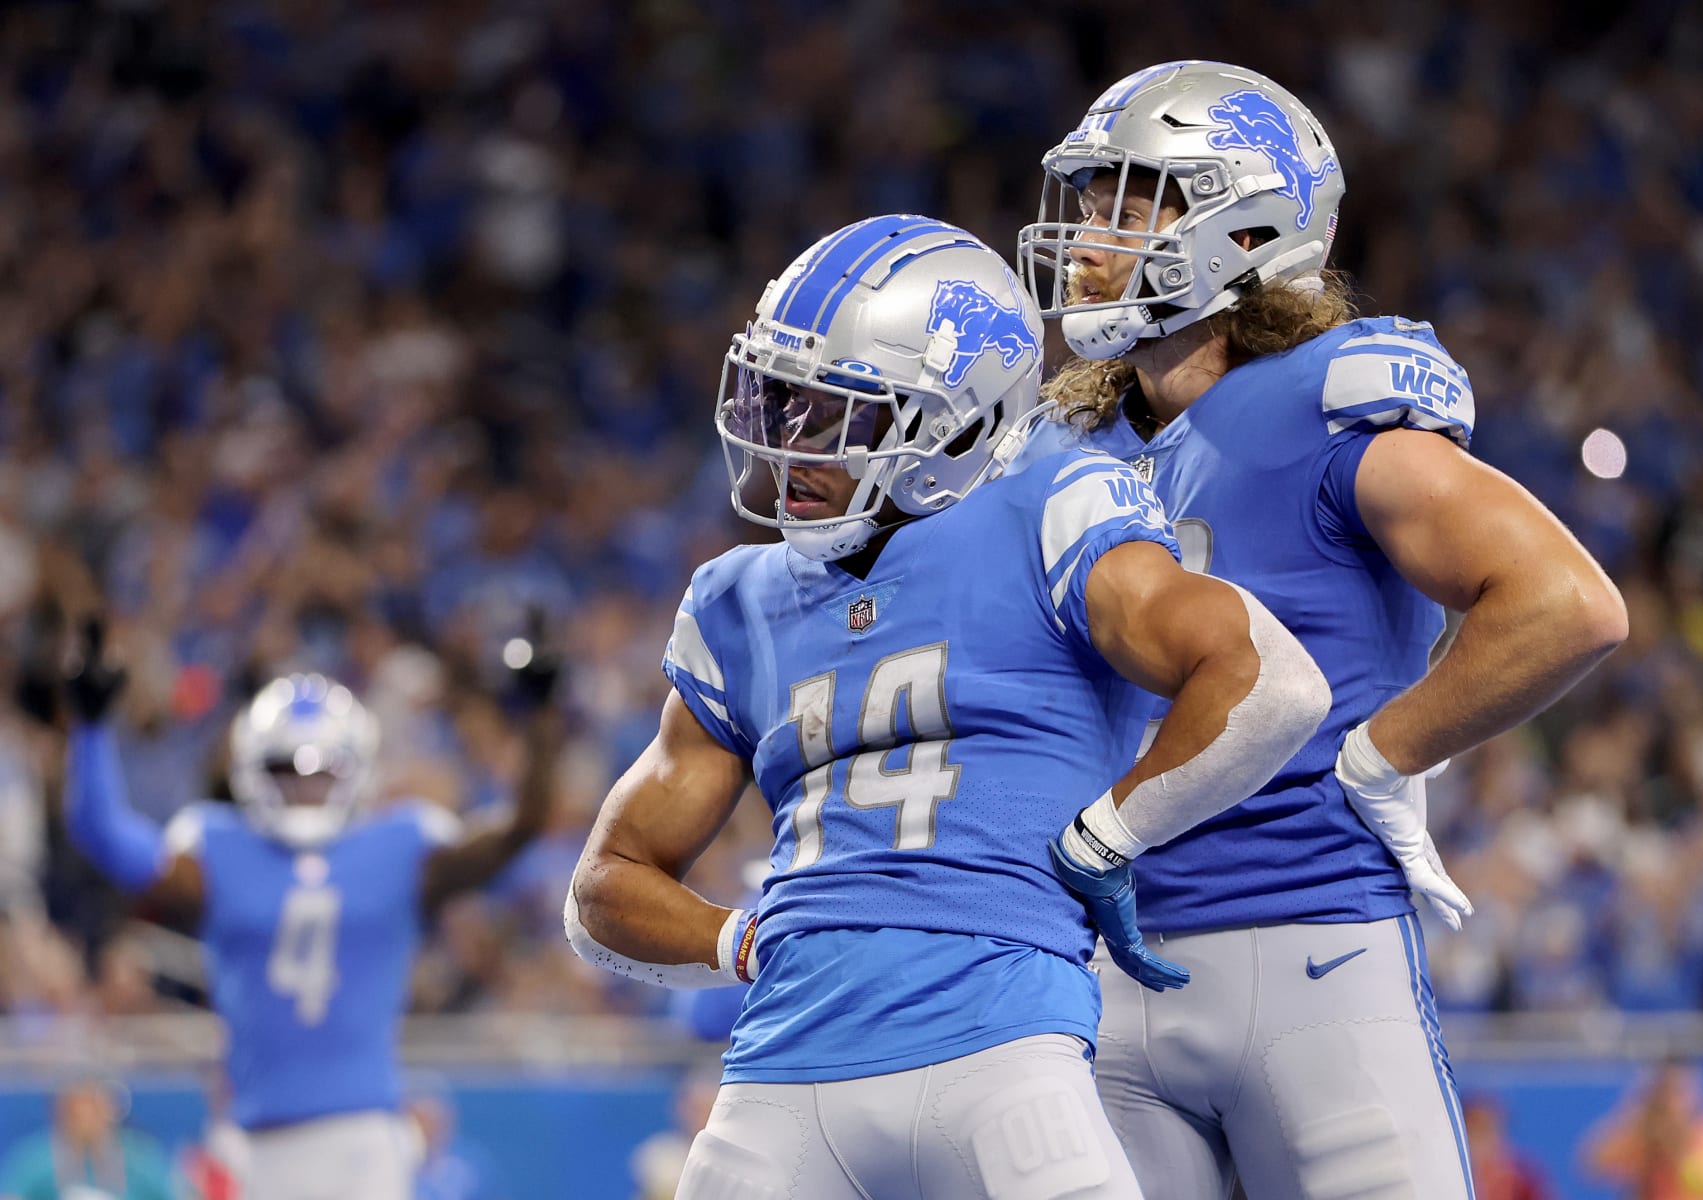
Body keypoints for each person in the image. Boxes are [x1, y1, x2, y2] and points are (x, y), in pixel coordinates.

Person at [565, 215, 1332, 1199]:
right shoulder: (737, 598)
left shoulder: (1047, 506)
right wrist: (744, 940)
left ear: (956, 422)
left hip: (1006, 1055)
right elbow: (603, 893)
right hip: (780, 1072)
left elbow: (1271, 681)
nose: (789, 442)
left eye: (832, 412)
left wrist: (1105, 837)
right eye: (781, 400)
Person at [1016, 61, 1630, 1199]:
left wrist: (1387, 751)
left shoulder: (1321, 401)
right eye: (1089, 199)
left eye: (1129, 199)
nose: (1089, 232)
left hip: (1310, 944)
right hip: (1099, 976)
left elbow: (1567, 604)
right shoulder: (1070, 450)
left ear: (1244, 227)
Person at [58, 618, 560, 1200]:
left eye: (323, 772)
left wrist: (541, 718)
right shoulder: (219, 847)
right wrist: (90, 730)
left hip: (361, 1136)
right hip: (255, 1139)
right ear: (250, 771)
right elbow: (103, 836)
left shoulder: (401, 847)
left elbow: (521, 827)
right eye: (284, 770)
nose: (304, 788)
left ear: (356, 769)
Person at [1582, 1059, 1703, 1199]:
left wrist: (1677, 1145)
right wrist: (1634, 1119)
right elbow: (1594, 1164)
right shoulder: (1642, 1130)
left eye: (1676, 1092)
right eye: (1663, 1092)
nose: (1670, 1102)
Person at [0, 1077, 177, 1200]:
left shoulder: (140, 1156)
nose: (85, 1120)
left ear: (111, 1111)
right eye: (75, 1112)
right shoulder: (35, 1159)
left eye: (94, 1110)